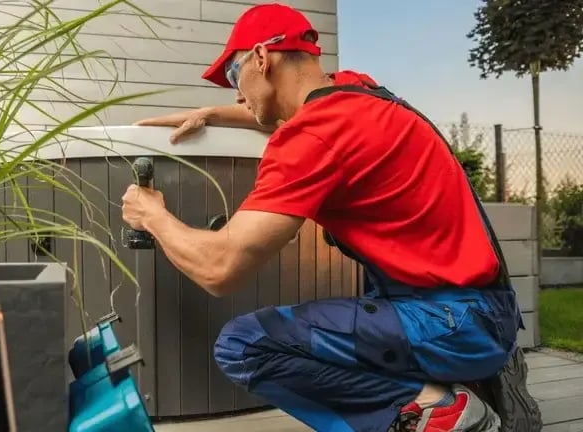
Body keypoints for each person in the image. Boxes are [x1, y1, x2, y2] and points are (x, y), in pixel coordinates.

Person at [121, 3, 542, 432]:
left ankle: (441, 414)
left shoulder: (313, 137)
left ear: (263, 59)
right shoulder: (357, 91)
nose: (235, 95)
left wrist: (152, 214)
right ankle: (443, 394)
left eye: (234, 76)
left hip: (448, 323)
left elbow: (219, 269)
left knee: (245, 345)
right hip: (487, 315)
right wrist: (211, 116)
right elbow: (283, 112)